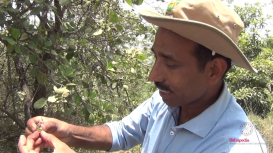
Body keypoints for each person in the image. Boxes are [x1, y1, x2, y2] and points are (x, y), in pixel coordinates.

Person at [19, 0, 268, 152]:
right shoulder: (167, 100)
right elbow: (122, 133)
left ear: (214, 70)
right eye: (155, 57)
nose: (153, 75)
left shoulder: (236, 146)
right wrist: (67, 132)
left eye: (170, 62)